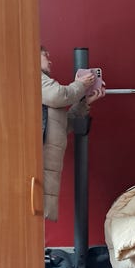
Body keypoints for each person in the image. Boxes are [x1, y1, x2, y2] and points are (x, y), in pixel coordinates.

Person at [41, 46, 105, 222]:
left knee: (40, 214)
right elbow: (60, 95)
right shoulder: (34, 78)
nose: (50, 60)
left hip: (49, 163)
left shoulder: (45, 88)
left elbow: (64, 124)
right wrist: (81, 85)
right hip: (41, 162)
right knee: (36, 212)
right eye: (45, 55)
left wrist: (85, 103)